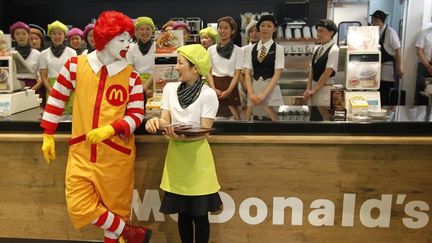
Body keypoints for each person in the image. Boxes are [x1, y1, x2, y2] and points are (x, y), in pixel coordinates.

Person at [40, 11, 151, 243]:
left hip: (116, 156)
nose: (127, 45)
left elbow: (137, 114)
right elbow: (56, 99)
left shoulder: (132, 76)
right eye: (122, 39)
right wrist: (48, 133)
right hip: (81, 152)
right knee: (79, 206)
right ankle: (131, 233)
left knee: (115, 211)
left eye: (128, 39)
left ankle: (123, 233)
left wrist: (112, 129)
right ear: (105, 38)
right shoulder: (75, 65)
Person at [145, 44, 222, 243]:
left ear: (195, 68)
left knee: (200, 215)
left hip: (197, 161)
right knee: (183, 214)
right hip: (176, 160)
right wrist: (155, 122)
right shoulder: (170, 89)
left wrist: (179, 135)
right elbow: (165, 121)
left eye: (180, 63)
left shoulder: (208, 94)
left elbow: (204, 130)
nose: (177, 67)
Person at [244, 15, 284, 121]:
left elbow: (277, 74)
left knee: (274, 124)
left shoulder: (278, 49)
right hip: (254, 89)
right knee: (253, 122)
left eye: (269, 26)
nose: (265, 28)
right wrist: (251, 93)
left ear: (274, 29)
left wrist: (264, 95)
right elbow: (247, 73)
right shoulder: (251, 49)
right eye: (262, 25)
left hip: (271, 89)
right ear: (259, 28)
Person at [207, 16, 243, 120]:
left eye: (226, 28)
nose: (223, 31)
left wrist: (228, 91)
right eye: (220, 27)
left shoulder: (238, 51)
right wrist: (213, 88)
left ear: (232, 31)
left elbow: (237, 74)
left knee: (235, 117)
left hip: (230, 85)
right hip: (215, 85)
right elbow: (208, 72)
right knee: (214, 117)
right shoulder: (210, 50)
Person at [39, 20, 76, 113]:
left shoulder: (71, 52)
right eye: (54, 33)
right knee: (53, 116)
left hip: (69, 88)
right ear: (50, 35)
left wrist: (69, 90)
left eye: (60, 34)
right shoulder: (44, 54)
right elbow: (43, 76)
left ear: (64, 36)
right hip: (52, 87)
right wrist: (51, 90)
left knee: (69, 116)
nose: (57, 36)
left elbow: (74, 74)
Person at [303, 19, 339, 109]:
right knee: (313, 118)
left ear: (331, 33)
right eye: (317, 31)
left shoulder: (334, 50)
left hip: (326, 90)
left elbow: (327, 73)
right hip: (314, 89)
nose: (318, 34)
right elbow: (312, 70)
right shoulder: (317, 49)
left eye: (321, 31)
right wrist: (308, 89)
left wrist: (313, 91)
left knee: (324, 119)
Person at [370, 10, 403, 105]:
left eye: (373, 20)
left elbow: (398, 50)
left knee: (384, 95)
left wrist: (399, 67)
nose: (371, 22)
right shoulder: (375, 31)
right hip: (376, 69)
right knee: (376, 94)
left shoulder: (390, 32)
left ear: (377, 20)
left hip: (387, 69)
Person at [9, 21, 43, 97]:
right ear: (13, 37)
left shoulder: (37, 54)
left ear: (28, 35)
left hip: (33, 87)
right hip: (13, 88)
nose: (21, 36)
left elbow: (43, 77)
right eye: (17, 34)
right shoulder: (9, 53)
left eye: (24, 34)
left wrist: (32, 90)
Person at [126, 16, 155, 103]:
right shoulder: (131, 48)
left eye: (148, 29)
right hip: (136, 84)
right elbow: (130, 68)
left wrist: (145, 87)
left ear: (152, 31)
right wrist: (140, 87)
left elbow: (158, 68)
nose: (145, 32)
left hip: (154, 83)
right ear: (136, 32)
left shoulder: (158, 47)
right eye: (141, 29)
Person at [239, 20, 260, 116]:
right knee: (244, 109)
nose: (254, 34)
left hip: (260, 83)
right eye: (251, 31)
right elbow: (239, 71)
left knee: (259, 112)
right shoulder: (242, 50)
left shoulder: (267, 49)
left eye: (257, 31)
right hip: (244, 84)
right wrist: (245, 86)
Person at [415, 26, 432, 105]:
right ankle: (420, 115)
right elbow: (419, 52)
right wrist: (428, 66)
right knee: (422, 91)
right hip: (425, 64)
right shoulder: (424, 33)